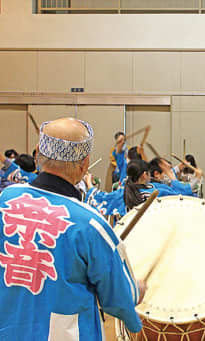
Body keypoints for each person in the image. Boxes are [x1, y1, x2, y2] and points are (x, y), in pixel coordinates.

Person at [0, 117, 145, 340]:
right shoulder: (90, 225)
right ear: (84, 165)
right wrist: (137, 290)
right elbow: (120, 298)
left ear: (38, 153)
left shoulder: (5, 201)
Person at [124, 159, 193, 210]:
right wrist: (171, 176)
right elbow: (184, 195)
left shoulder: (123, 192)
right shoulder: (157, 191)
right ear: (145, 175)